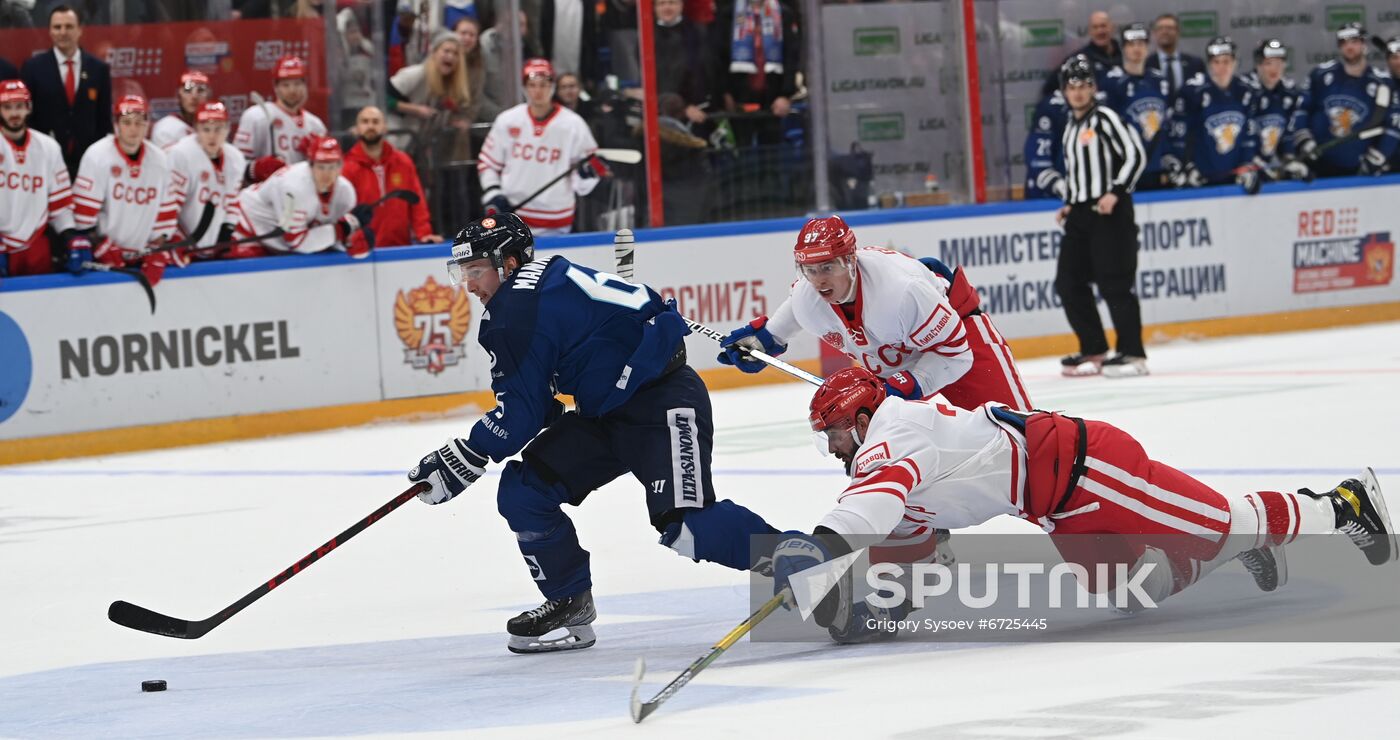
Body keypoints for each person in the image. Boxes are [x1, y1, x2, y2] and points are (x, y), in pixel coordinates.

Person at [771, 367, 1395, 643]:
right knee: (1135, 589)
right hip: (1060, 506)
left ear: (858, 417)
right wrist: (859, 614)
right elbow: (902, 553)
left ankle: (1342, 505)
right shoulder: (894, 462)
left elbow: (868, 501)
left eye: (833, 432)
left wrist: (821, 550)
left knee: (1225, 521)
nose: (831, 447)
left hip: (1094, 465)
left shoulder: (894, 435)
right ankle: (1236, 552)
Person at [406, 213, 783, 653]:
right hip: (605, 411)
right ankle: (569, 602)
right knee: (525, 492)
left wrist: (466, 454)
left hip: (661, 403)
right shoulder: (550, 275)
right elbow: (576, 357)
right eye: (462, 274)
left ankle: (816, 570)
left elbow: (519, 416)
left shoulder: (512, 312)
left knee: (687, 524)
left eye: (475, 272)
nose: (469, 286)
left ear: (508, 264)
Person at [717, 215, 1032, 413]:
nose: (818, 280)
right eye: (810, 270)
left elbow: (956, 354)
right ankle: (919, 522)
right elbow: (781, 326)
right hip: (895, 365)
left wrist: (914, 383)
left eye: (828, 267)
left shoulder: (901, 292)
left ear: (851, 261)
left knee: (1019, 439)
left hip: (958, 338)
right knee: (882, 459)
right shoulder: (806, 295)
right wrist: (760, 342)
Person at [1051, 56, 1147, 378]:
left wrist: (1116, 192)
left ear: (1093, 88)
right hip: (1080, 213)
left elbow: (1135, 156)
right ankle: (1094, 348)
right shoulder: (1070, 128)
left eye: (1084, 85)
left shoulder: (1105, 118)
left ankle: (1132, 353)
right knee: (1068, 282)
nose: (1078, 92)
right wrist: (1071, 201)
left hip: (1110, 211)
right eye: (1072, 86)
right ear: (1064, 91)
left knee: (1115, 282)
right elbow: (1079, 173)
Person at [477, 58, 604, 234]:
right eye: (532, 85)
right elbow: (488, 163)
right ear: (524, 87)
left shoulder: (573, 124)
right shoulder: (508, 120)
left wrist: (587, 175)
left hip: (556, 221)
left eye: (543, 85)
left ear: (552, 87)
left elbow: (585, 179)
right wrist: (493, 193)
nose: (538, 91)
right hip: (513, 217)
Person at [71, 95, 181, 281]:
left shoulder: (160, 160)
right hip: (104, 258)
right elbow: (83, 216)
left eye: (139, 123)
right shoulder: (97, 156)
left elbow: (165, 216)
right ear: (116, 124)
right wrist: (100, 246)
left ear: (147, 125)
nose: (133, 129)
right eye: (127, 122)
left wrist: (157, 251)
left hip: (142, 258)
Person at [231, 137, 369, 258]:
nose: (327, 175)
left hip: (279, 239)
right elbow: (297, 242)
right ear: (311, 166)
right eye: (321, 167)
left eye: (332, 167)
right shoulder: (295, 188)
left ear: (340, 167)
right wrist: (341, 231)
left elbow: (340, 237)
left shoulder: (345, 192)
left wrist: (353, 241)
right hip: (247, 227)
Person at [1295, 23, 1399, 178]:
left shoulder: (1382, 82)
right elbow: (1301, 109)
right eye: (1343, 42)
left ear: (1364, 44)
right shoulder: (1321, 75)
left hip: (1358, 170)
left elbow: (1394, 123)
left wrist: (1378, 156)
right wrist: (1304, 140)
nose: (1349, 47)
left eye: (1354, 41)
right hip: (1318, 166)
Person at [20, 5, 112, 177]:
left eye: (69, 26)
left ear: (80, 30)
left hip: (89, 164)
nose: (63, 32)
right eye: (57, 27)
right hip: (44, 162)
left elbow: (104, 120)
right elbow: (28, 118)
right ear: (50, 31)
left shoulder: (99, 69)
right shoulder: (33, 68)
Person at [0, 79, 76, 278]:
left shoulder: (48, 147)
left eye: (19, 106)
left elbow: (60, 204)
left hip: (36, 245)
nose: (14, 113)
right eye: (7, 107)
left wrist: (71, 236)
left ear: (28, 108)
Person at [342, 105, 440, 247]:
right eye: (365, 122)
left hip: (399, 247)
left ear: (385, 127)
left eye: (375, 122)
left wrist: (424, 233)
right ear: (356, 129)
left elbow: (417, 202)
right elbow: (343, 210)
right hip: (362, 249)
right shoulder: (347, 167)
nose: (370, 126)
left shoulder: (403, 162)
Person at [1166, 37, 1257, 189]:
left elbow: (1249, 135)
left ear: (1235, 62)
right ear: (1209, 64)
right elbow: (1179, 135)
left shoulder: (1245, 91)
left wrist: (1246, 166)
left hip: (1234, 178)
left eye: (1226, 61)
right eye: (1216, 62)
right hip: (1200, 178)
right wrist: (1187, 166)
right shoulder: (1193, 91)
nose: (1222, 67)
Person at [164, 101, 245, 252]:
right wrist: (176, 240)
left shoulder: (236, 158)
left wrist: (227, 230)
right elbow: (172, 205)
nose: (212, 136)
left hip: (212, 246)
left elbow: (232, 202)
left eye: (218, 129)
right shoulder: (181, 154)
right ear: (196, 129)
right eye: (206, 129)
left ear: (228, 129)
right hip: (184, 244)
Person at [232, 54, 327, 179]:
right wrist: (256, 169)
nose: (293, 90)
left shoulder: (315, 125)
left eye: (297, 84)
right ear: (275, 87)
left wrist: (316, 157)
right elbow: (234, 165)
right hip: (266, 194)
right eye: (286, 85)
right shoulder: (257, 116)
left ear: (305, 85)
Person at [1102, 23, 1171, 191]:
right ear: (1124, 48)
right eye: (1131, 44)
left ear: (1148, 47)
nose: (1136, 49)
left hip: (1154, 167)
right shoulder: (1111, 82)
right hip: (1125, 167)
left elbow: (1166, 123)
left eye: (1141, 44)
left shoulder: (1159, 80)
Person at [1244, 39, 1311, 184]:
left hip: (1267, 164)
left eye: (1279, 63)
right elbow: (1239, 136)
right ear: (1258, 65)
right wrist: (1252, 161)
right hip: (1243, 169)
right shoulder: (1244, 90)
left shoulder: (1289, 93)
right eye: (1269, 63)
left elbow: (1288, 132)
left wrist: (1289, 159)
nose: (1275, 69)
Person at [1040, 10, 1121, 98]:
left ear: (1112, 28)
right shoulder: (1077, 59)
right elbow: (1049, 89)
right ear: (1089, 31)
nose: (1100, 31)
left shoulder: (1127, 56)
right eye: (1095, 27)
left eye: (1103, 26)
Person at [1145, 13, 1204, 98]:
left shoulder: (1195, 64)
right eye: (1160, 28)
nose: (1165, 32)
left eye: (1169, 28)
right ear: (1154, 33)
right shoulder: (1146, 64)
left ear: (1178, 32)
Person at [1024, 89, 1069, 200]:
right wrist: (1061, 187)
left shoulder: (1102, 111)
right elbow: (1037, 161)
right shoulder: (1052, 108)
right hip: (1048, 198)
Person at [150, 71, 210, 149]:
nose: (194, 96)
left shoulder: (216, 129)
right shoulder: (165, 127)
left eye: (200, 90)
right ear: (179, 96)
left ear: (208, 96)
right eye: (188, 90)